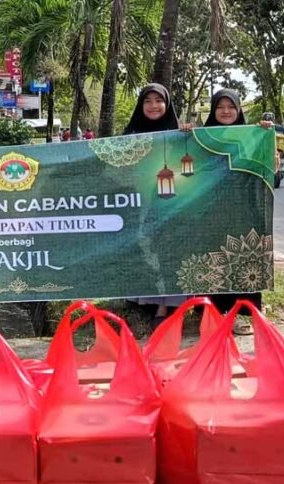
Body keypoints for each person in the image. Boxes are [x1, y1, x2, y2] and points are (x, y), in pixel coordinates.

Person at [179, 89, 275, 335]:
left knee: (241, 255)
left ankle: (240, 314)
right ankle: (209, 314)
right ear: (213, 110)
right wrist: (185, 135)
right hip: (208, 210)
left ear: (238, 110)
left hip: (243, 209)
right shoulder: (201, 137)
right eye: (220, 107)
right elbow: (185, 163)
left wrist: (265, 135)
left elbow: (268, 168)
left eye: (231, 107)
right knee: (210, 257)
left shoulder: (252, 135)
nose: (225, 111)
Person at [122, 83, 185, 330]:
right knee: (141, 246)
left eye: (159, 101)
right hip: (138, 202)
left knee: (168, 248)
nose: (153, 106)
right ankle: (142, 301)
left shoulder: (179, 135)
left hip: (172, 203)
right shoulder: (129, 136)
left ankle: (165, 305)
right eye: (148, 101)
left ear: (167, 105)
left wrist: (188, 134)